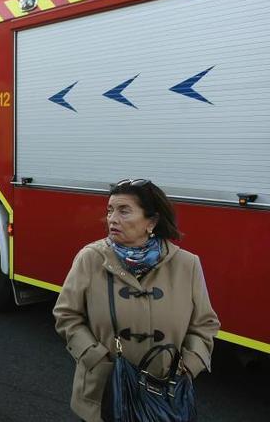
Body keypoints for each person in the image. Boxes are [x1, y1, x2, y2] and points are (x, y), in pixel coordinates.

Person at [53, 179, 220, 422]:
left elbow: (205, 323)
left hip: (164, 394)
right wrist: (96, 358)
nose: (112, 218)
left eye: (124, 211)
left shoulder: (187, 264)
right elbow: (66, 315)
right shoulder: (90, 258)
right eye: (110, 210)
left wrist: (189, 366)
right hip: (104, 391)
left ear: (151, 222)